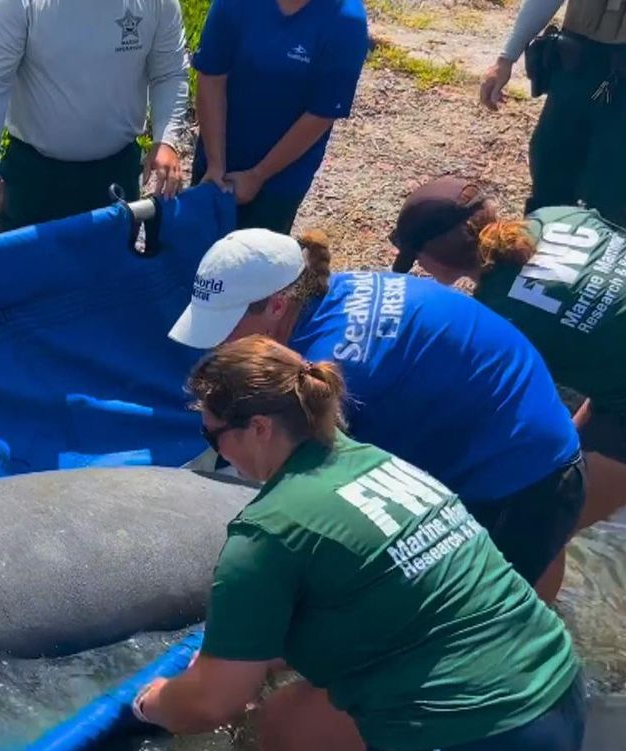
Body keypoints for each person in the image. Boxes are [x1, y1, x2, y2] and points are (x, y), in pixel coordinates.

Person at [129, 336, 586, 751]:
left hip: (468, 749)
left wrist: (154, 700)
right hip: (553, 692)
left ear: (260, 429)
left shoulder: (266, 533)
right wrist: (244, 655)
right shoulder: (380, 464)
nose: (219, 455)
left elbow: (211, 703)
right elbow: (390, 603)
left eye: (212, 436)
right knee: (287, 731)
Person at [167, 229, 586, 599]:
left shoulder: (330, 369)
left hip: (520, 478)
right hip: (539, 434)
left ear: (277, 306)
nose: (219, 342)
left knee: (486, 630)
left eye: (225, 325)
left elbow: (319, 506)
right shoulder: (333, 290)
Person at [389, 175, 626, 585]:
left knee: (544, 528)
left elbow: (490, 412)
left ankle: (533, 642)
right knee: (564, 470)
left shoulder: (501, 313)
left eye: (419, 260)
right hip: (616, 387)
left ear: (438, 261)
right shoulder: (557, 216)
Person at [0, 0, 191, 233]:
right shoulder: (17, 5)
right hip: (34, 178)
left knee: (111, 268)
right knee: (28, 269)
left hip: (117, 173)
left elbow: (170, 73)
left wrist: (166, 141)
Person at [190, 0, 369, 233]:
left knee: (256, 259)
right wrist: (215, 165)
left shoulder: (346, 20)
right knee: (195, 248)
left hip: (282, 173)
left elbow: (321, 113)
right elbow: (212, 76)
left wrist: (258, 175)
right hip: (218, 153)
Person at [481, 0, 626, 225]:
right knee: (551, 169)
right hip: (578, 65)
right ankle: (535, 249)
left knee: (611, 191)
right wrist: (506, 58)